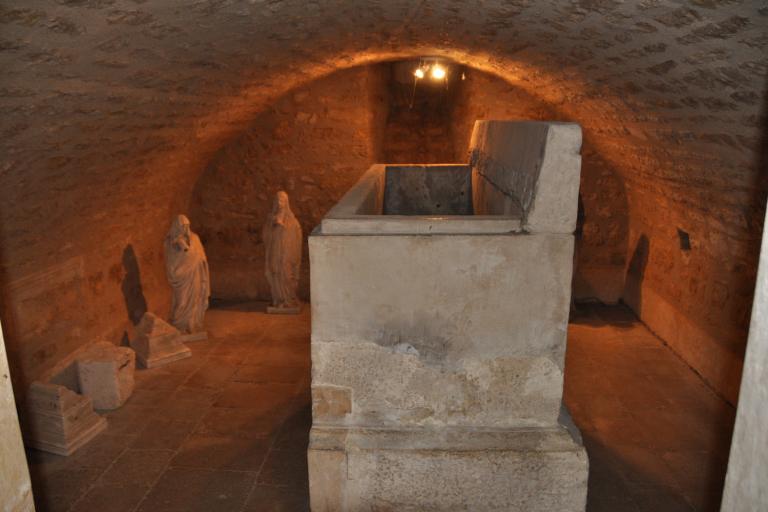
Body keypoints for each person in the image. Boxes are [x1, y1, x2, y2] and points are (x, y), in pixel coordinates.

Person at [164, 214, 210, 333]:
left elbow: (200, 255)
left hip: (195, 274)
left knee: (195, 299)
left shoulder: (194, 238)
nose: (185, 229)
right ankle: (179, 325)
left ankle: (191, 324)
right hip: (181, 277)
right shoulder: (170, 242)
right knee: (182, 301)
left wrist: (195, 257)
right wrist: (180, 248)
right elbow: (171, 261)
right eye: (182, 226)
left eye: (187, 226)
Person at [263, 191, 302, 311]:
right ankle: (278, 299)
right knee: (275, 273)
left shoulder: (292, 221)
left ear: (287, 203)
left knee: (286, 275)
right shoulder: (271, 219)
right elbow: (266, 235)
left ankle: (288, 299)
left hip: (287, 253)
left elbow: (296, 236)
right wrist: (272, 225)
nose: (280, 203)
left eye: (283, 201)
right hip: (275, 251)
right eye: (278, 200)